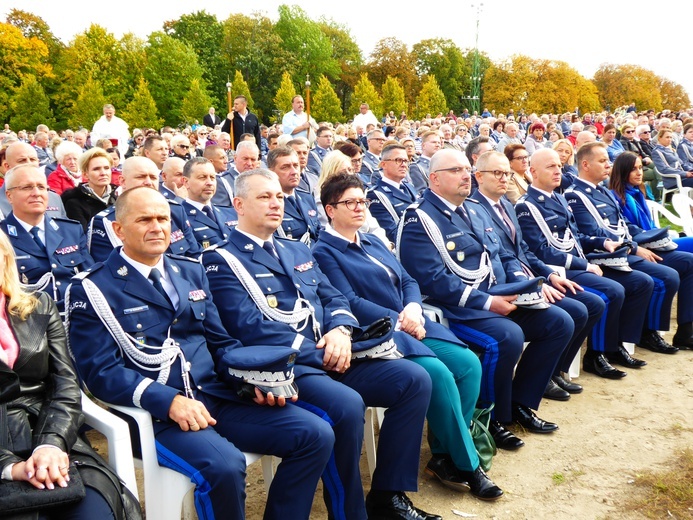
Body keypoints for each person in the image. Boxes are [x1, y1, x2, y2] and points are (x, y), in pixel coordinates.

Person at [67, 186, 334, 520]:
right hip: (156, 416)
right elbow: (100, 371)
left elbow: (220, 343)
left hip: (215, 398)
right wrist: (169, 401)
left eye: (163, 218)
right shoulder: (92, 287)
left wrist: (251, 384)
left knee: (315, 435)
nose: (157, 227)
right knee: (223, 466)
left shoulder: (189, 270)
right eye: (145, 219)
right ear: (119, 230)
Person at [201, 169, 440, 520]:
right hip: (291, 365)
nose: (275, 203)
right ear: (238, 204)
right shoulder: (222, 260)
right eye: (264, 197)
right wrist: (319, 347)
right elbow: (248, 325)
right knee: (345, 405)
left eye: (279, 197)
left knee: (413, 379)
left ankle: (388, 495)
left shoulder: (295, 247)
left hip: (334, 354)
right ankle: (348, 514)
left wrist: (341, 330)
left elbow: (333, 298)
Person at [313, 173, 503, 501]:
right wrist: (399, 320)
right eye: (351, 202)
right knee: (439, 374)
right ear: (330, 210)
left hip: (412, 324)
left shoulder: (370, 240)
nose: (360, 207)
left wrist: (413, 308)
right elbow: (349, 302)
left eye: (363, 201)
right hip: (379, 335)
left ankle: (444, 455)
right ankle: (469, 466)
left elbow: (408, 279)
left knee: (469, 364)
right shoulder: (324, 251)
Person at [397, 149, 572, 452]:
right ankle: (490, 418)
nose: (466, 175)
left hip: (493, 294)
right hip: (456, 309)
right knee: (507, 336)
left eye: (467, 169)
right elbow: (433, 279)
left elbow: (500, 253)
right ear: (434, 179)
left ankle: (520, 402)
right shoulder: (419, 217)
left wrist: (524, 286)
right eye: (456, 170)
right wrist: (489, 302)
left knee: (559, 322)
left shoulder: (471, 209)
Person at [0, 230, 120, 519]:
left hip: (52, 435)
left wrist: (50, 445)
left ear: (5, 257)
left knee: (95, 513)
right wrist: (8, 466)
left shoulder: (38, 305)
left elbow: (65, 384)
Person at [470, 151, 604, 400]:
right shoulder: (473, 210)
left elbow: (524, 251)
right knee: (570, 314)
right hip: (507, 289)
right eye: (497, 173)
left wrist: (549, 275)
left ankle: (549, 373)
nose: (504, 179)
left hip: (528, 277)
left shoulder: (506, 206)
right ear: (478, 176)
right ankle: (534, 386)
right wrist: (532, 285)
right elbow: (498, 259)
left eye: (507, 174)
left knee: (588, 306)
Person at [515, 148, 659, 378]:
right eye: (550, 166)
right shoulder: (527, 206)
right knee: (611, 293)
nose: (558, 171)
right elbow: (541, 251)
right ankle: (594, 355)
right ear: (532, 171)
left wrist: (603, 242)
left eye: (559, 166)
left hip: (576, 263)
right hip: (560, 270)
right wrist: (584, 265)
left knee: (626, 287)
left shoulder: (559, 198)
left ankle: (590, 356)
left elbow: (575, 238)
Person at [565, 142, 688, 357]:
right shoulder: (575, 195)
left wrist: (645, 238)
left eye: (608, 161)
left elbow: (622, 224)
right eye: (602, 161)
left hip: (623, 249)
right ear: (585, 164)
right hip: (606, 257)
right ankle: (630, 339)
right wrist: (633, 247)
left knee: (683, 265)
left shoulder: (601, 191)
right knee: (660, 278)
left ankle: (675, 329)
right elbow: (596, 232)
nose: (608, 165)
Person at [608, 151, 693, 348]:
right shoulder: (618, 197)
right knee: (688, 262)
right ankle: (680, 331)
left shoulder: (637, 193)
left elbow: (650, 228)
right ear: (622, 171)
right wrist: (648, 241)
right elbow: (628, 230)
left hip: (654, 242)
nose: (639, 173)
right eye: (634, 169)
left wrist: (664, 236)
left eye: (640, 168)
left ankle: (686, 328)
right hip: (641, 246)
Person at [0, 164, 93, 311]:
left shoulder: (70, 230)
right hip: (27, 321)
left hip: (74, 317)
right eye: (27, 187)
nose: (36, 193)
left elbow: (90, 279)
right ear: (9, 196)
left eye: (42, 187)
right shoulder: (2, 237)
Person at [88, 157, 200, 261]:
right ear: (122, 181)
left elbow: (195, 255)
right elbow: (114, 269)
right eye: (140, 177)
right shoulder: (105, 222)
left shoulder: (175, 210)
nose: (148, 182)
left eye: (153, 177)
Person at [266, 147, 321, 246]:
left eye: (296, 166)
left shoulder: (307, 197)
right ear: (271, 172)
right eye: (285, 167)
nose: (294, 172)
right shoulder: (267, 203)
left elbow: (318, 233)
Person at [181, 157, 238, 250]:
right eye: (202, 177)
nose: (209, 183)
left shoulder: (231, 212)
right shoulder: (180, 217)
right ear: (186, 182)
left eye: (212, 177)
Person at [0, 142, 66, 220]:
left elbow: (64, 229)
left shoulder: (53, 198)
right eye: (22, 160)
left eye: (32, 159)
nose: (29, 164)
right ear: (7, 166)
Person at [367, 143, 418, 243]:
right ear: (384, 164)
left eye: (406, 160)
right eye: (398, 160)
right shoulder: (376, 194)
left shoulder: (409, 187)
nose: (403, 164)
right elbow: (391, 233)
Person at [61, 148, 117, 231]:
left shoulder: (119, 196)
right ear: (85, 175)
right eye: (96, 169)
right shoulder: (74, 203)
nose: (103, 173)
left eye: (106, 168)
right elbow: (82, 237)